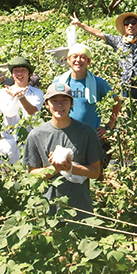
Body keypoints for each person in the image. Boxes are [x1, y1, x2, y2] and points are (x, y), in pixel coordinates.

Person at [24, 83, 104, 219]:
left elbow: (96, 172)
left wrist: (71, 168)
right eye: (54, 101)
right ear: (47, 104)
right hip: (49, 208)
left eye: (64, 101)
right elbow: (32, 172)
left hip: (80, 205)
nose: (59, 105)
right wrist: (54, 169)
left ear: (71, 104)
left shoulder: (87, 132)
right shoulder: (37, 135)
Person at [52, 44, 121, 141]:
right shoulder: (59, 83)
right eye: (75, 57)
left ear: (89, 61)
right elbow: (51, 105)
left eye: (83, 57)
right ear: (68, 60)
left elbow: (117, 102)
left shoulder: (98, 83)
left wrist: (109, 126)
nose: (78, 60)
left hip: (90, 137)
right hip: (65, 135)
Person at [0, 57, 43, 165]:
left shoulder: (37, 93)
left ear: (29, 74)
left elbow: (33, 111)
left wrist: (21, 96)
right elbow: (8, 112)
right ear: (12, 74)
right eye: (16, 70)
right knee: (9, 175)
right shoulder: (3, 92)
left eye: (23, 70)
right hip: (8, 141)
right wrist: (13, 96)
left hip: (29, 141)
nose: (19, 74)